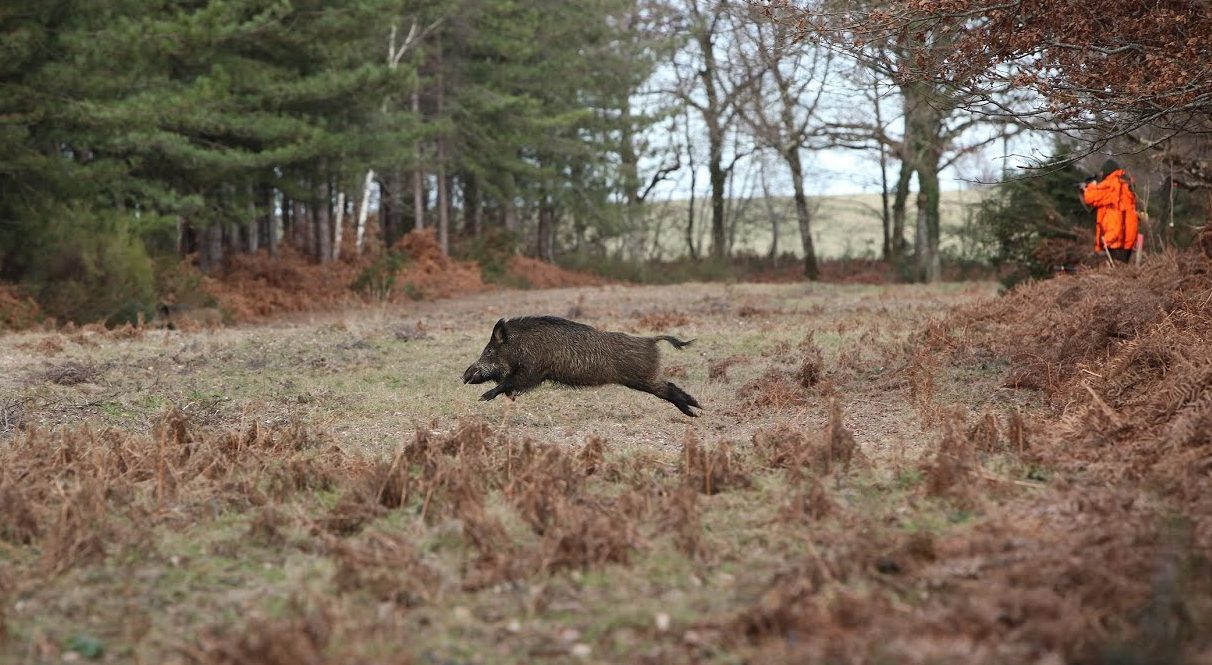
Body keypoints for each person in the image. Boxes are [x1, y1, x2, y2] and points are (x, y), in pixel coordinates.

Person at [1082, 158, 1140, 264]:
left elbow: (1090, 197)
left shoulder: (1112, 185)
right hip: (1128, 238)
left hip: (1115, 237)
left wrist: (1089, 186)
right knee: (1122, 271)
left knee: (1114, 273)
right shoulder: (1126, 184)